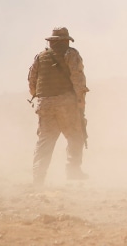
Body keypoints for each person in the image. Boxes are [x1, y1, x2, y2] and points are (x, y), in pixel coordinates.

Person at [28, 27, 89, 185]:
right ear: (66, 40)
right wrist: (81, 101)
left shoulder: (40, 57)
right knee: (76, 136)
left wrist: (41, 97)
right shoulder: (71, 54)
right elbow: (78, 79)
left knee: (45, 140)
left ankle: (38, 177)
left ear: (51, 41)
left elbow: (32, 81)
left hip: (44, 104)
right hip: (66, 103)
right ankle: (73, 171)